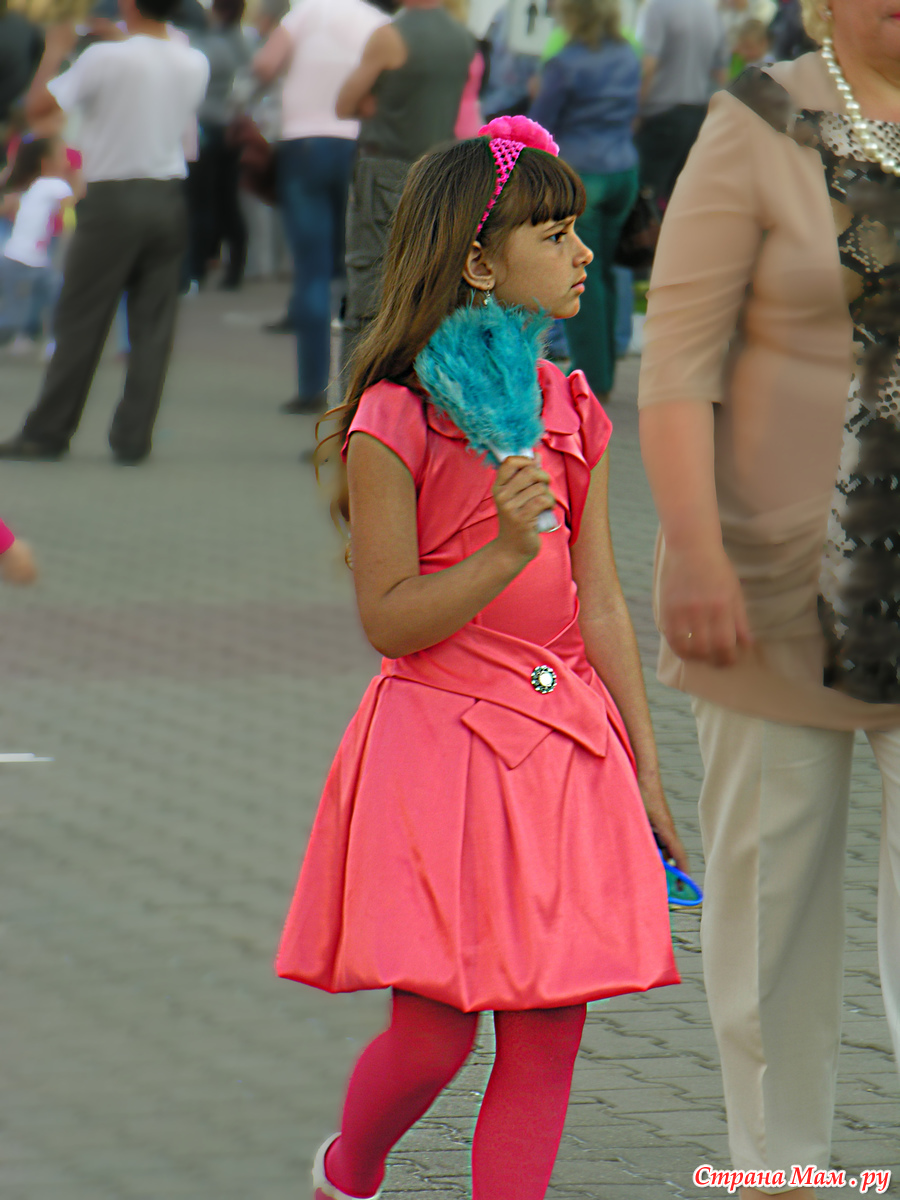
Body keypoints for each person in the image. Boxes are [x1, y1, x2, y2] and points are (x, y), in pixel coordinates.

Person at [277, 116, 685, 1200]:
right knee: (433, 1037)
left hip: (564, 742)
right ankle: (348, 1170)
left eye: (576, 231)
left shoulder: (569, 407)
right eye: (554, 235)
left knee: (547, 1034)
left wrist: (644, 767)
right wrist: (504, 550)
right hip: (441, 744)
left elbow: (601, 601)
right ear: (478, 263)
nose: (584, 253)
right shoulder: (395, 416)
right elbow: (391, 619)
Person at [638, 1, 900, 1195]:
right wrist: (694, 550)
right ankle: (783, 1175)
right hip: (772, 577)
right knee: (773, 908)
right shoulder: (754, 120)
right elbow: (678, 360)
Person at [0, 5, 209, 465]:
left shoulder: (104, 58)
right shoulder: (192, 60)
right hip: (168, 194)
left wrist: (54, 51)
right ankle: (133, 437)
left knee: (82, 317)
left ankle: (49, 430)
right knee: (153, 324)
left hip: (112, 194)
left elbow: (37, 109)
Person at [252, 0, 389, 414]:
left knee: (311, 270)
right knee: (359, 266)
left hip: (304, 145)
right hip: (359, 145)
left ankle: (312, 386)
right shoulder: (377, 22)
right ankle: (360, 388)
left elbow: (264, 64)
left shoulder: (305, 13)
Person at [335, 0, 475, 371]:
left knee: (369, 292)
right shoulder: (462, 38)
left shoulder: (389, 36)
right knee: (422, 290)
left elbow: (344, 103)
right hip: (436, 174)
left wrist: (373, 102)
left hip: (385, 170)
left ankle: (357, 394)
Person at [530, 0, 640, 400]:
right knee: (604, 271)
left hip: (582, 174)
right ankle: (603, 370)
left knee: (579, 277)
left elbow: (539, 122)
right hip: (623, 168)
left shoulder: (565, 62)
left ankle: (590, 378)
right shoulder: (627, 54)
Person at [635, 0, 729, 204]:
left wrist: (636, 112)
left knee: (646, 195)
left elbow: (648, 64)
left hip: (661, 113)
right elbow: (720, 72)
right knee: (675, 195)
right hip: (696, 114)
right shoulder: (710, 12)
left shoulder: (658, 8)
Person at [186, 0, 250, 291]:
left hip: (204, 127)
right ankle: (235, 268)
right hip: (229, 126)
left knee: (200, 202)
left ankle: (197, 268)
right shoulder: (240, 43)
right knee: (228, 199)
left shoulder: (200, 47)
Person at [0, 133, 74, 355]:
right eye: (61, 156)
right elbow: (69, 206)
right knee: (50, 296)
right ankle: (51, 340)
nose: (67, 161)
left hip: (17, 256)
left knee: (28, 300)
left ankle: (32, 337)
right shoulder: (55, 184)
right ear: (47, 162)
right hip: (28, 258)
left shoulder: (32, 186)